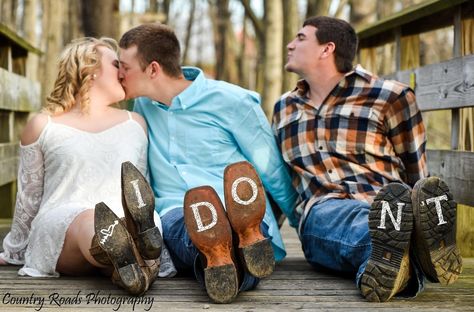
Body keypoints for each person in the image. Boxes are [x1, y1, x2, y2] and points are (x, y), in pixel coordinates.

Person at [272, 16, 463, 302]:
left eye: (300, 38)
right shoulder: (284, 108)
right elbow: (278, 181)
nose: (290, 45)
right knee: (362, 222)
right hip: (322, 214)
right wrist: (262, 239)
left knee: (395, 216)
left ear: (327, 49)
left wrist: (419, 209)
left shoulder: (391, 96)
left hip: (387, 201)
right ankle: (410, 249)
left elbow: (418, 175)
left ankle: (398, 263)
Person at [118, 23, 297, 303]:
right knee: (187, 225)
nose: (119, 75)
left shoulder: (232, 101)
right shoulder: (140, 108)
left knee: (215, 225)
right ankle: (231, 254)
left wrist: (302, 227)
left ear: (153, 69)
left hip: (238, 203)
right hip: (179, 211)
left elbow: (271, 169)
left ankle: (240, 240)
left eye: (124, 68)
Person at [0, 37, 176, 295]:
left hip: (126, 216)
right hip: (64, 228)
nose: (123, 71)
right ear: (90, 70)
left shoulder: (135, 124)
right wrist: (15, 250)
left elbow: (139, 188)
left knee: (132, 220)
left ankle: (128, 264)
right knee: (93, 219)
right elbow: (29, 199)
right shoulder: (44, 126)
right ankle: (130, 252)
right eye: (116, 64)